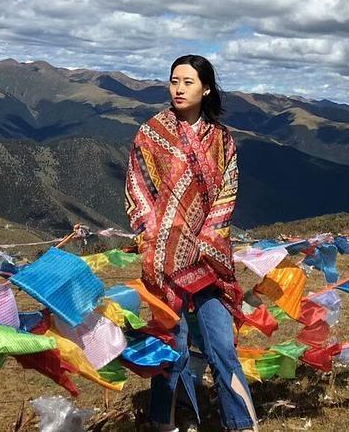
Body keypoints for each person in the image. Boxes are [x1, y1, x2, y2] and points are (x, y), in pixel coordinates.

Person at [125, 55, 258, 432]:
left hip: (208, 260)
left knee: (222, 346)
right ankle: (164, 421)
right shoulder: (150, 133)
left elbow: (227, 192)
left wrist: (206, 238)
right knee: (173, 343)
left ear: (206, 88)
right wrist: (156, 235)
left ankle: (241, 423)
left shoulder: (222, 140)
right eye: (173, 81)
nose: (179, 89)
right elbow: (138, 187)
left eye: (187, 82)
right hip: (164, 258)